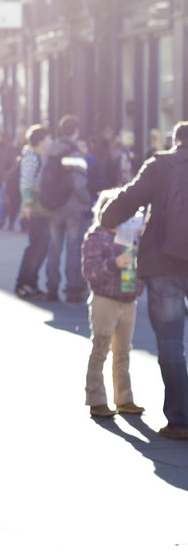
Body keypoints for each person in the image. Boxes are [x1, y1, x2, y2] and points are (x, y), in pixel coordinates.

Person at [102, 120, 188, 440]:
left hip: (163, 263)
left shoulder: (160, 164)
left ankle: (180, 421)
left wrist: (106, 219)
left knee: (170, 344)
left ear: (175, 140)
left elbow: (130, 197)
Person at [82, 189, 146, 419]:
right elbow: (90, 272)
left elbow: (140, 269)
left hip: (128, 300)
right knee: (100, 347)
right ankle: (96, 398)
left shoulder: (131, 235)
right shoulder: (95, 237)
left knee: (123, 352)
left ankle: (124, 398)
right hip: (105, 299)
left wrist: (137, 288)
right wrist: (113, 263)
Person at [45, 114, 93, 303]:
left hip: (53, 206)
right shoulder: (75, 153)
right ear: (75, 131)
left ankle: (51, 287)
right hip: (73, 207)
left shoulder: (51, 151)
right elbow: (79, 184)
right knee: (73, 249)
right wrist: (87, 201)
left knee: (54, 248)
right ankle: (73, 288)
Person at [14, 124, 54, 299]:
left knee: (42, 247)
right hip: (35, 208)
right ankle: (23, 284)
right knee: (35, 247)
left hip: (43, 208)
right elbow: (26, 182)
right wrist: (27, 204)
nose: (51, 141)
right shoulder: (31, 157)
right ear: (41, 140)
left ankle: (32, 283)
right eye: (48, 138)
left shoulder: (42, 156)